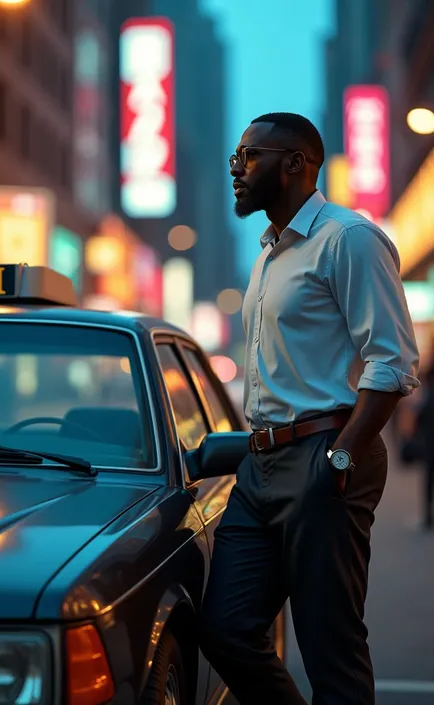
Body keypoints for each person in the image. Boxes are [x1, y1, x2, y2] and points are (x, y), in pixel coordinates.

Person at [199, 112, 420, 705]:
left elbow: (393, 363)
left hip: (325, 453)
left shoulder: (349, 239)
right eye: (234, 160)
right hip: (261, 463)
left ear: (295, 163)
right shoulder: (269, 253)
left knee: (331, 646)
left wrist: (341, 455)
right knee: (226, 631)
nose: (237, 171)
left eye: (248, 157)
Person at [415, 365, 434, 528]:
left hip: (430, 446)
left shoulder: (429, 397)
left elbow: (420, 418)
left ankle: (428, 518)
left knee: (429, 483)